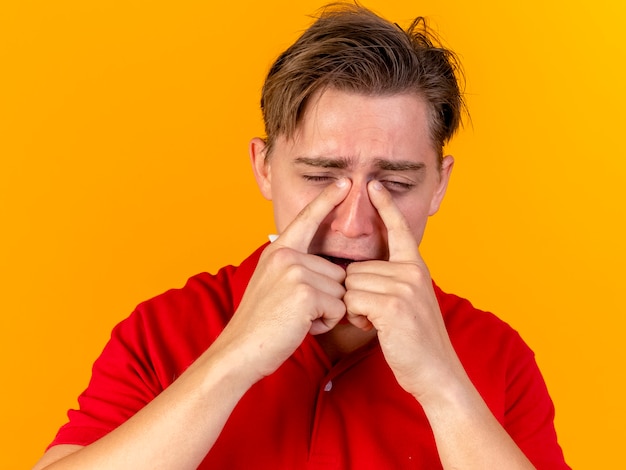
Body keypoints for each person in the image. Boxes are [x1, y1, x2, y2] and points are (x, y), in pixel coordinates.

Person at [33, 3, 569, 469]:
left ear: (438, 185)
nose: (354, 222)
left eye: (396, 183)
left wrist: (443, 388)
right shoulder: (160, 331)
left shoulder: (499, 358)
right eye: (318, 178)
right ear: (264, 168)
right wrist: (235, 357)